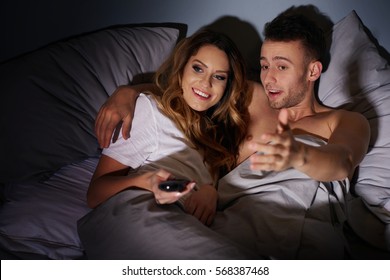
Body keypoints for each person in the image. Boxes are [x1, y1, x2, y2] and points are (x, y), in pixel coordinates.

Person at [86, 11, 371, 259]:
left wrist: (299, 154)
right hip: (230, 226)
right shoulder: (251, 96)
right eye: (264, 65)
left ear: (313, 71)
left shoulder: (343, 120)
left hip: (303, 229)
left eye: (282, 67)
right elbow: (192, 90)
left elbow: (342, 161)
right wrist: (127, 93)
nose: (269, 77)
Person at [78, 29, 258, 259]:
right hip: (138, 214)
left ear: (227, 87)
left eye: (219, 76)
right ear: (182, 68)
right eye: (198, 68)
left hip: (181, 223)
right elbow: (94, 194)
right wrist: (145, 182)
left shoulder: (215, 138)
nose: (206, 82)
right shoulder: (151, 111)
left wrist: (210, 191)